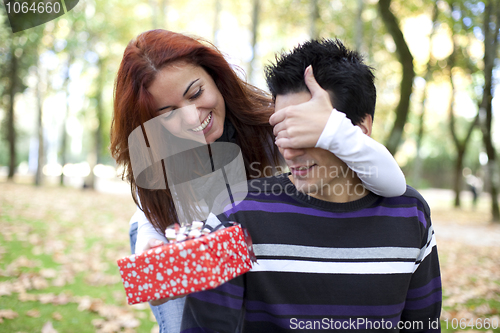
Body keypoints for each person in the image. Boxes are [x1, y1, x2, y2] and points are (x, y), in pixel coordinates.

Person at [111, 30, 406, 332]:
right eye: (169, 111)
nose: (190, 118)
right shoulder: (161, 155)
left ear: (216, 77)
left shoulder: (274, 126)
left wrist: (334, 128)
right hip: (189, 246)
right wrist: (152, 247)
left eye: (196, 93)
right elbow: (157, 218)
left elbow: (392, 184)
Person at [181, 39, 441, 332]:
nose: (289, 153)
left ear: (360, 129)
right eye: (282, 132)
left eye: (306, 131)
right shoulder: (239, 211)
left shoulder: (410, 213)